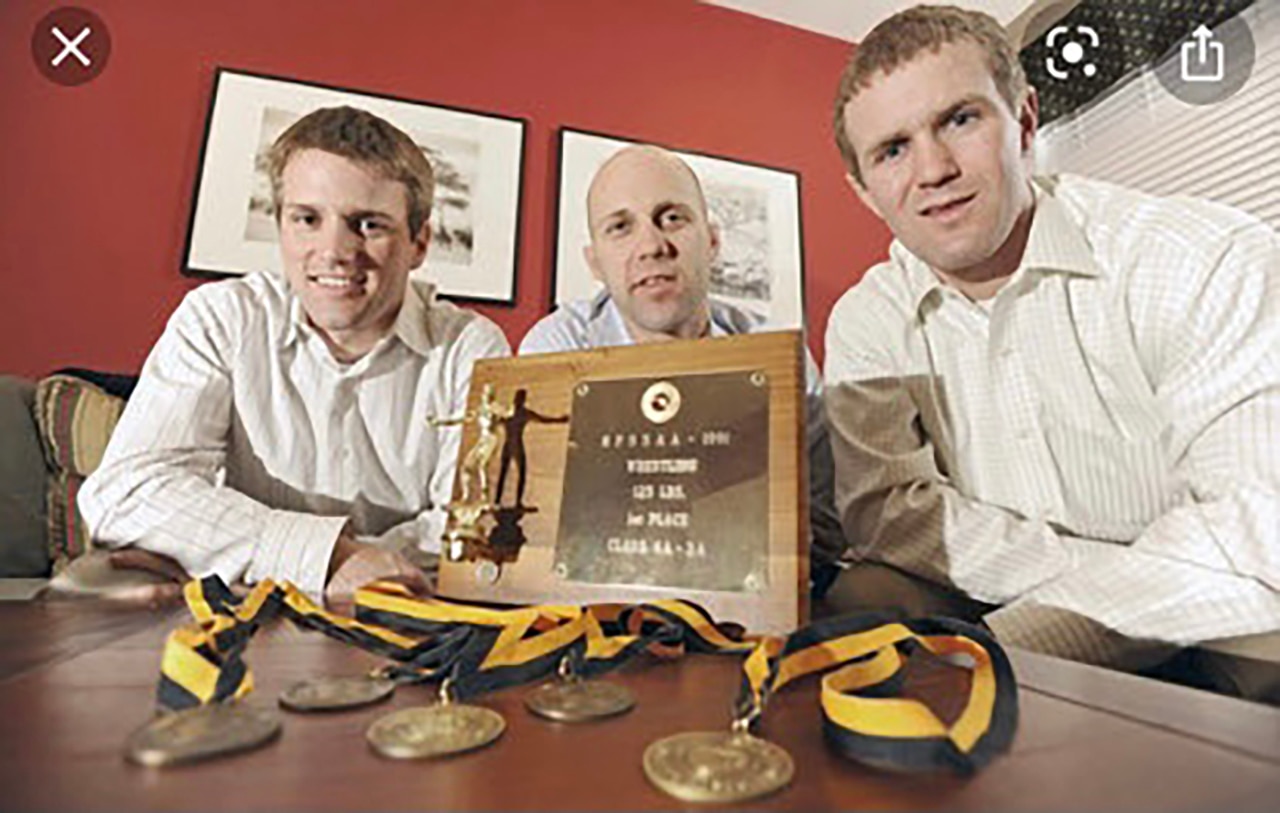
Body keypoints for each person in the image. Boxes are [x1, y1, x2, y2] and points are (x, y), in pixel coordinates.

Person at [822, 4, 1279, 699]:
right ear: (863, 191)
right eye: (893, 150)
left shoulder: (1199, 257)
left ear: (1026, 122)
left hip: (1204, 600)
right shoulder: (867, 319)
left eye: (960, 120)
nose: (934, 169)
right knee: (864, 592)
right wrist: (1082, 572)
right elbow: (888, 511)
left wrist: (1022, 638)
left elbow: (1249, 530)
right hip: (1000, 588)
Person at [78, 106, 511, 602]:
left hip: (406, 629)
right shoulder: (220, 318)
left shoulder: (471, 348)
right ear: (281, 225)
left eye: (368, 225)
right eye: (307, 219)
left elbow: (479, 538)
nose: (334, 251)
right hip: (244, 633)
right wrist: (337, 560)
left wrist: (247, 556)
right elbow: (126, 493)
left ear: (419, 243)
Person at [520, 145, 845, 591]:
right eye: (620, 227)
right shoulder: (555, 349)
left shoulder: (781, 361)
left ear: (711, 242)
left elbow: (824, 528)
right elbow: (536, 531)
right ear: (595, 263)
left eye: (672, 218)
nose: (652, 246)